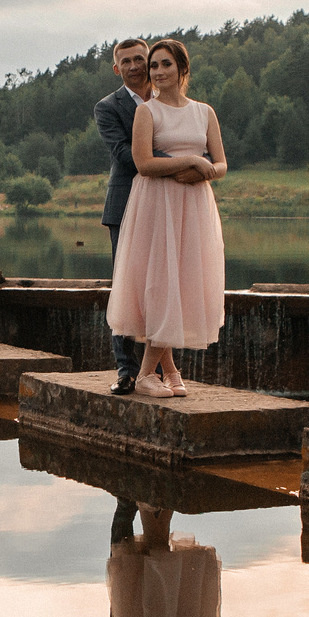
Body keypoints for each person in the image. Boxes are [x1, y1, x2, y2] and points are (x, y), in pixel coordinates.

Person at [106, 38, 226, 397]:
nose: (157, 72)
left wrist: (205, 171)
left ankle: (166, 372)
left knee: (185, 282)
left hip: (194, 204)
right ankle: (145, 374)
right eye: (154, 66)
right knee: (160, 285)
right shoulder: (148, 112)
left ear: (182, 69)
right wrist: (190, 161)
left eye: (164, 65)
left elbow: (220, 163)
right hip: (157, 203)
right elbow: (143, 163)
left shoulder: (204, 112)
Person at [92, 38, 153, 392]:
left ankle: (157, 368)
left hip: (166, 203)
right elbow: (123, 154)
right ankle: (126, 371)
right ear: (117, 69)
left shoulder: (168, 101)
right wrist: (174, 162)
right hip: (125, 204)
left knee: (162, 285)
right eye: (126, 61)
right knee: (126, 288)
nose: (134, 66)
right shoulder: (107, 107)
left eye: (140, 59)